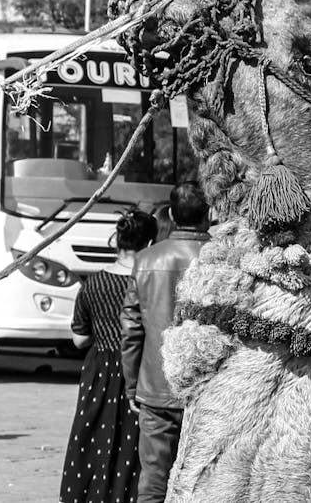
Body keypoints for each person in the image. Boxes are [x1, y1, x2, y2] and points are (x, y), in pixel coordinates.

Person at [60, 209, 158, 503]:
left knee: (94, 439)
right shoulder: (149, 282)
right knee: (134, 443)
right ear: (149, 244)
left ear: (117, 241)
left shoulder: (93, 284)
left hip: (100, 371)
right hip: (139, 369)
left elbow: (79, 339)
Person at [121, 181, 211, 503]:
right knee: (207, 480)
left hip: (156, 388)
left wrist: (132, 384)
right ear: (209, 214)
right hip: (209, 389)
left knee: (154, 480)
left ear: (171, 214)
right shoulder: (224, 257)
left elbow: (131, 329)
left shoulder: (146, 259)